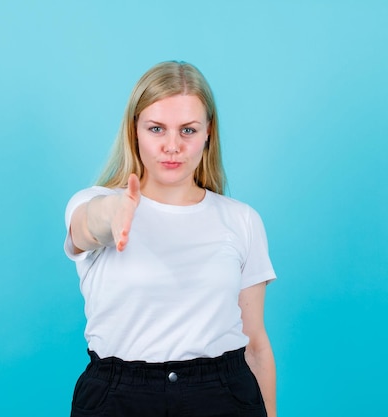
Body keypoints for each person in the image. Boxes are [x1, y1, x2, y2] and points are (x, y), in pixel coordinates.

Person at [64, 61, 277, 417]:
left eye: (188, 130)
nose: (172, 146)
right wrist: (114, 213)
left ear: (208, 132)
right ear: (134, 131)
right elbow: (88, 226)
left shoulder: (242, 220)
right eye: (157, 128)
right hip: (118, 398)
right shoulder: (91, 202)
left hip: (222, 395)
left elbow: (255, 343)